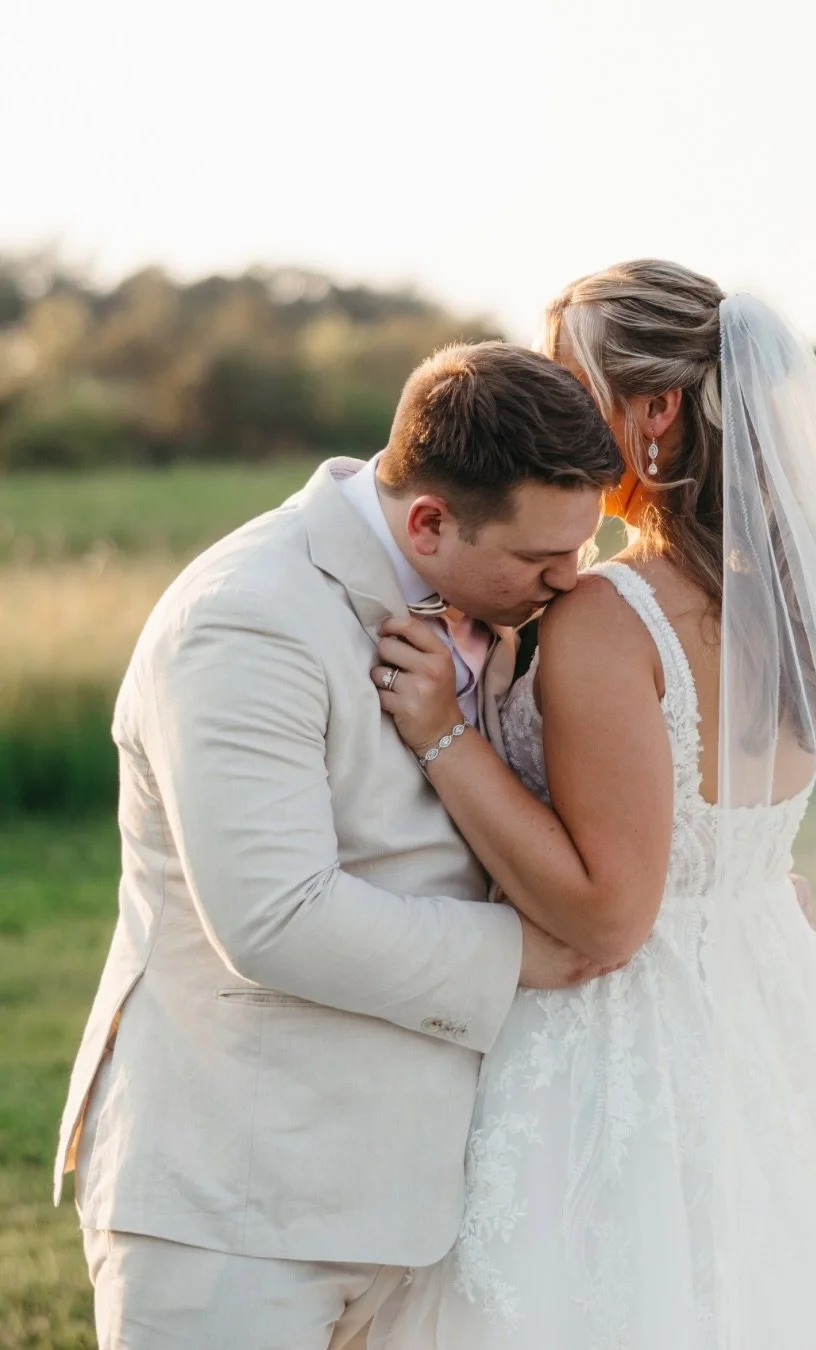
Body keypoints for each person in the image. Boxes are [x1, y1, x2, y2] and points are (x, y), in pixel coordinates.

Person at [368, 260, 816, 1348]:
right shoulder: (798, 600)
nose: (556, 407)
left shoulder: (613, 615)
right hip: (771, 1002)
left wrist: (444, 735)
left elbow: (615, 912)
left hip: (624, 1042)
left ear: (654, 414)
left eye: (575, 382)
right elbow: (720, 840)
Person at [54, 340, 625, 1349]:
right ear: (428, 522)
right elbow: (276, 917)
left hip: (421, 1210)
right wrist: (527, 959)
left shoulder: (488, 602)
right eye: (541, 559)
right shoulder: (245, 618)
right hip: (236, 1209)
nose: (568, 580)